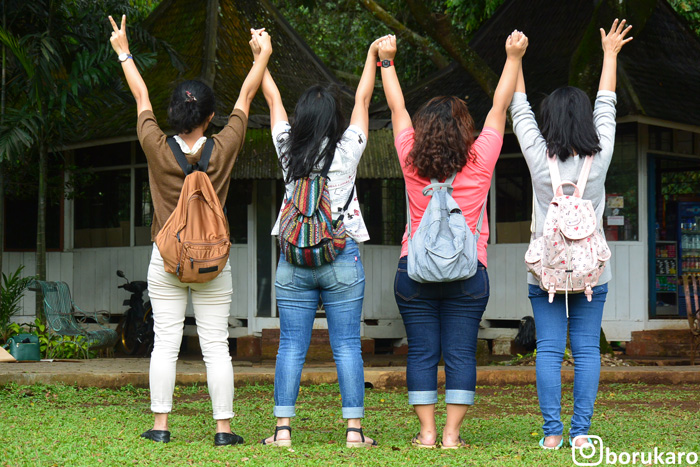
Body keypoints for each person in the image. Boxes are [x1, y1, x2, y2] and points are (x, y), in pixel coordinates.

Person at [108, 16, 272, 446]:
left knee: (166, 344)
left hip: (167, 261)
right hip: (215, 263)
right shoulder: (225, 145)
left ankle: (161, 429)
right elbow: (247, 95)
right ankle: (223, 431)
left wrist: (123, 48)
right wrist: (262, 55)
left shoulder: (154, 145)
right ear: (211, 116)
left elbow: (140, 93)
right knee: (217, 345)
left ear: (174, 116)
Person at [377, 32, 528, 448]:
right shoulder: (479, 161)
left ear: (424, 131)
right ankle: (450, 435)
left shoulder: (410, 157)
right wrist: (512, 56)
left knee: (423, 353)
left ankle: (425, 433)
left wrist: (386, 61)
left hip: (414, 273)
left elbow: (397, 107)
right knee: (461, 354)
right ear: (466, 130)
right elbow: (500, 106)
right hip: (468, 274)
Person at [509, 19, 632, 450]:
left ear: (549, 121)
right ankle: (580, 432)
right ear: (583, 121)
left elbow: (518, 109)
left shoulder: (538, 159)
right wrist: (610, 55)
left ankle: (552, 433)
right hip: (591, 274)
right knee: (586, 351)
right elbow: (607, 105)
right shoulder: (599, 158)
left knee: (547, 350)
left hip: (544, 272)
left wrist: (515, 60)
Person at [258, 35, 384, 448]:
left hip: (293, 260)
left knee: (291, 345)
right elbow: (364, 100)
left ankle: (282, 432)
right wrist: (370, 55)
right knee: (346, 344)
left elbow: (272, 100)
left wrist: (263, 56)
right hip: (341, 255)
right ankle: (353, 432)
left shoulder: (287, 151)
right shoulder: (347, 150)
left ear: (303, 119)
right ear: (334, 120)